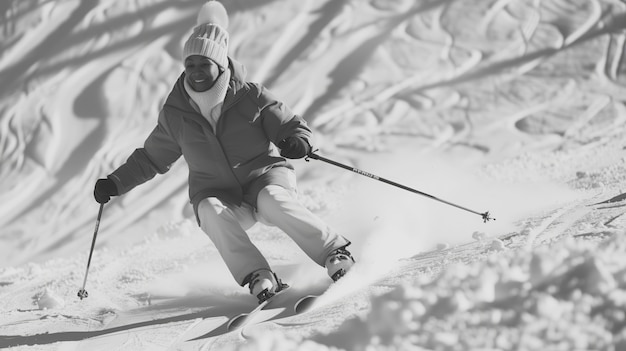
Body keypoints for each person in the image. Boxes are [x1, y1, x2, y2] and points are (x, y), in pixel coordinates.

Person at [93, 0, 354, 303]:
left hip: (265, 179)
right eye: (190, 64)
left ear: (220, 64)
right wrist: (115, 182)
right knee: (208, 210)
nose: (196, 71)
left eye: (204, 64)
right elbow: (152, 157)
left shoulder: (251, 95)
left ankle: (334, 252)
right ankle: (259, 275)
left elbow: (288, 123)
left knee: (273, 200)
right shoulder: (177, 113)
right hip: (218, 194)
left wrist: (297, 140)